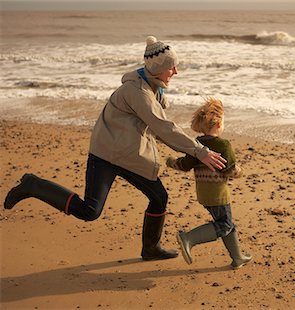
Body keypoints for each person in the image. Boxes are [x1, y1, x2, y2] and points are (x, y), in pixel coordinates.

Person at [3, 36, 227, 261]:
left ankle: (151, 248)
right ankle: (33, 185)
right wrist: (199, 151)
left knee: (159, 197)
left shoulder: (151, 85)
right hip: (106, 154)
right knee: (90, 211)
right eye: (171, 67)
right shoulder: (137, 92)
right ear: (158, 69)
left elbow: (157, 119)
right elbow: (164, 127)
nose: (175, 72)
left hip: (129, 155)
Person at [166, 97, 252, 269]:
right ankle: (188, 238)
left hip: (203, 193)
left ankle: (237, 257)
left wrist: (170, 162)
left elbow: (184, 165)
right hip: (218, 194)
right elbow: (230, 170)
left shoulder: (196, 145)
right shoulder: (223, 144)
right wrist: (241, 172)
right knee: (224, 224)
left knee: (226, 223)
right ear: (219, 124)